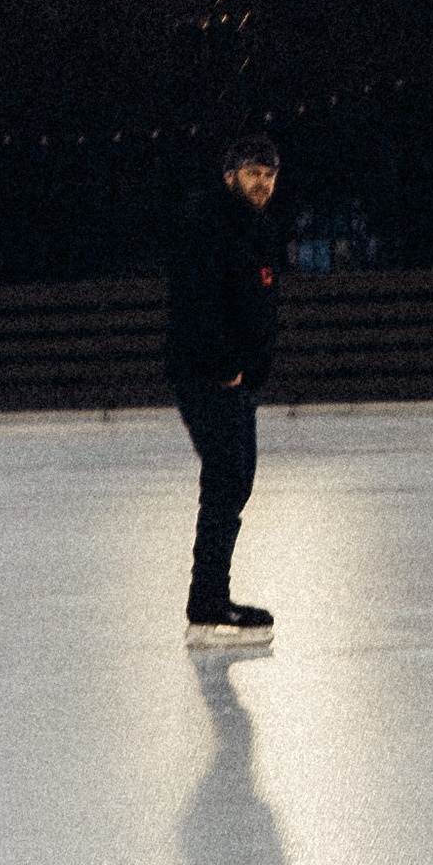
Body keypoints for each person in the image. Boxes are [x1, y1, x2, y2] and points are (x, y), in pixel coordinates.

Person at [165, 131, 283, 651]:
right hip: (209, 373)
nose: (262, 182)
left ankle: (211, 596)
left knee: (234, 482)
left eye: (269, 174)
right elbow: (198, 298)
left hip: (231, 375)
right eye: (253, 173)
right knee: (227, 479)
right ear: (230, 176)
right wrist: (225, 365)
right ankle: (207, 602)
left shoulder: (250, 225)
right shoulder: (209, 222)